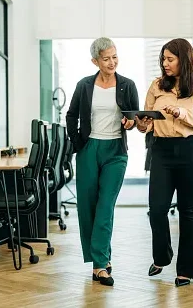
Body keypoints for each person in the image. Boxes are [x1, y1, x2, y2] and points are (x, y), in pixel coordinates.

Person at [136, 38, 193, 287]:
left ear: (185, 59)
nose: (165, 63)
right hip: (161, 150)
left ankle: (185, 271)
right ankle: (162, 256)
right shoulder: (157, 85)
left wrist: (182, 113)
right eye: (163, 59)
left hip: (191, 149)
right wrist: (140, 123)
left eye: (170, 59)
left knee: (188, 211)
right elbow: (146, 122)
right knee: (157, 209)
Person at [66, 37, 139, 286]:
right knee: (87, 206)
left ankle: (100, 265)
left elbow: (135, 117)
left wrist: (130, 122)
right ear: (95, 61)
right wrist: (78, 144)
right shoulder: (85, 85)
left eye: (115, 56)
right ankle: (100, 259)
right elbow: (71, 114)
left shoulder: (127, 85)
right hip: (89, 148)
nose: (112, 62)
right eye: (106, 58)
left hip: (115, 151)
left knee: (105, 205)